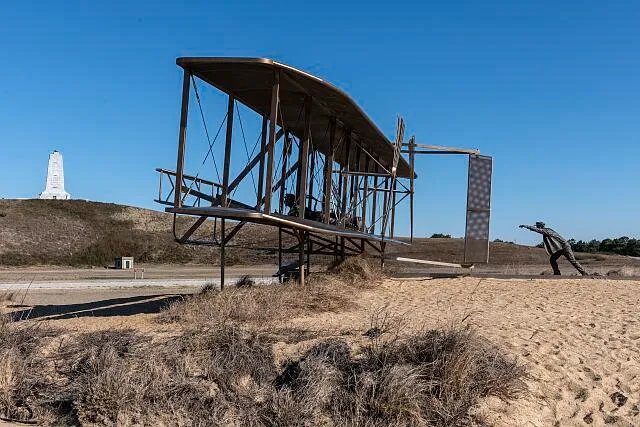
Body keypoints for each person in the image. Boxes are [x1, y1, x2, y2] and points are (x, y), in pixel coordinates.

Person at [519, 221, 588, 276]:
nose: (537, 227)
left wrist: (526, 226)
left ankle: (584, 273)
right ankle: (557, 273)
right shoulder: (547, 230)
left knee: (572, 260)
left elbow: (537, 230)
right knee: (552, 259)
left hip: (564, 247)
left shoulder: (547, 231)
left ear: (540, 226)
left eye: (537, 226)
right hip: (560, 248)